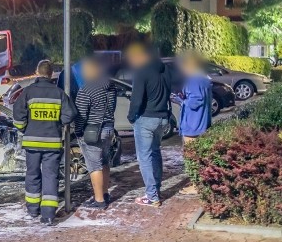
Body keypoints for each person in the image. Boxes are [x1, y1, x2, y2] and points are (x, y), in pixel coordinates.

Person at [13, 59, 77, 226]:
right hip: (52, 144)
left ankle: (33, 209)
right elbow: (70, 114)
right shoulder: (59, 93)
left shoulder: (28, 92)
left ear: (37, 72)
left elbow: (18, 115)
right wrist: (59, 123)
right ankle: (48, 215)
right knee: (50, 176)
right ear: (50, 74)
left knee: (33, 175)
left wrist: (25, 129)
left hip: (32, 144)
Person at [125, 44, 174, 207]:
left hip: (146, 119)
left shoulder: (141, 71)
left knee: (144, 157)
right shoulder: (165, 69)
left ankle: (152, 195)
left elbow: (136, 99)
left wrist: (131, 117)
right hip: (162, 118)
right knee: (155, 152)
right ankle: (156, 189)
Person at [74, 57, 118, 209]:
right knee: (105, 162)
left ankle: (99, 200)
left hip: (92, 131)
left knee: (94, 166)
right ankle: (105, 193)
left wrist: (78, 131)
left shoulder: (86, 89)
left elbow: (81, 114)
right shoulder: (111, 87)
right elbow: (112, 107)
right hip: (108, 128)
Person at [176, 52, 213, 196]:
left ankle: (196, 186)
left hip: (192, 124)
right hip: (200, 123)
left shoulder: (194, 80)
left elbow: (196, 100)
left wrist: (182, 101)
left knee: (192, 156)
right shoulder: (204, 79)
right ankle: (196, 183)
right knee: (197, 156)